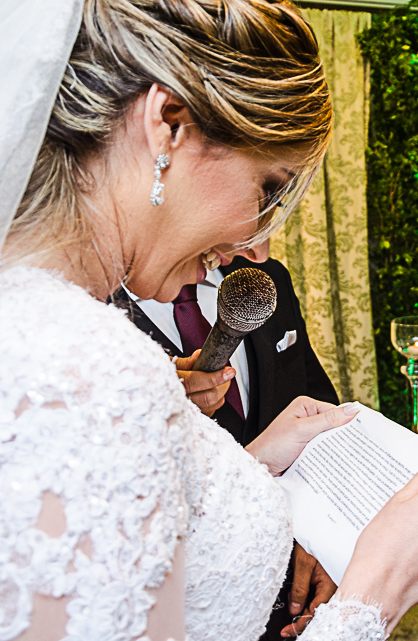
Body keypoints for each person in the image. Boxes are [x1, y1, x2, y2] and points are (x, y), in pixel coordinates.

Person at [0, 0, 418, 640]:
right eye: (266, 185)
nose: (255, 242)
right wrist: (378, 589)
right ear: (166, 124)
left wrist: (248, 463)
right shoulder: (80, 373)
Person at [110, 254, 341, 639]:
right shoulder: (87, 315)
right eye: (260, 193)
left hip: (302, 590)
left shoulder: (264, 278)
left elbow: (319, 407)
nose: (260, 247)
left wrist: (327, 537)